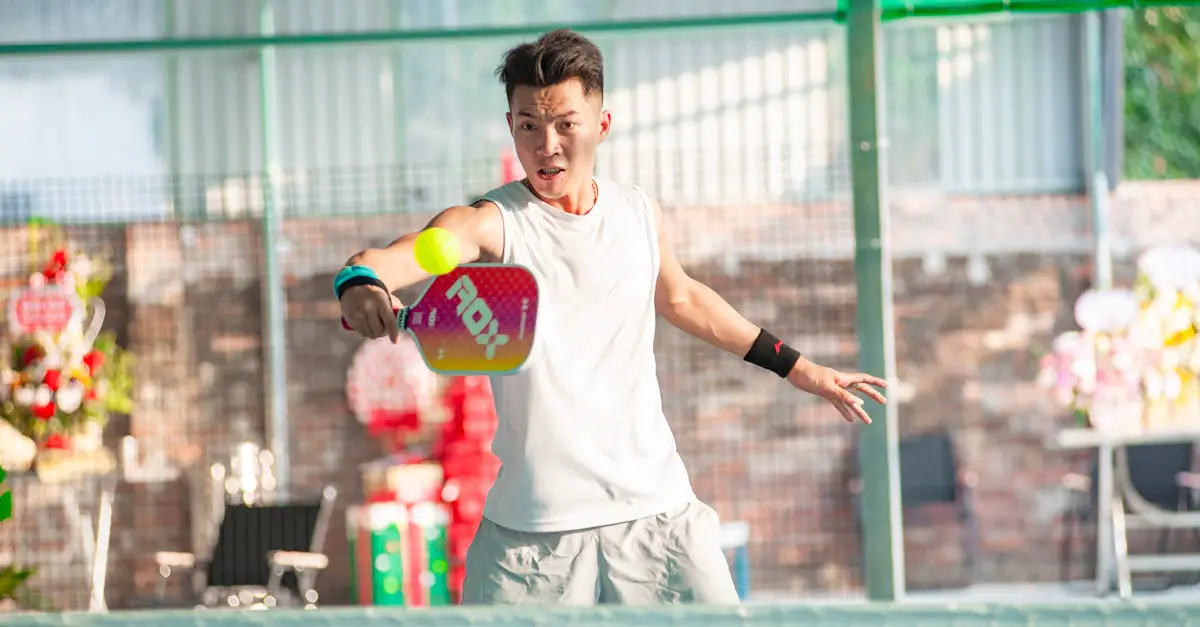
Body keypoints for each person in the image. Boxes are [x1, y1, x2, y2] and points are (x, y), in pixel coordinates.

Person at [335, 28, 888, 606]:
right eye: (529, 125)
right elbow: (414, 254)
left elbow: (683, 299)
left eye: (565, 124)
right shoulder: (493, 224)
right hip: (533, 538)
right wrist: (361, 279)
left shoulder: (636, 212)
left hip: (658, 517)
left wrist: (801, 369)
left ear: (601, 124)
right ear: (511, 126)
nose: (546, 144)